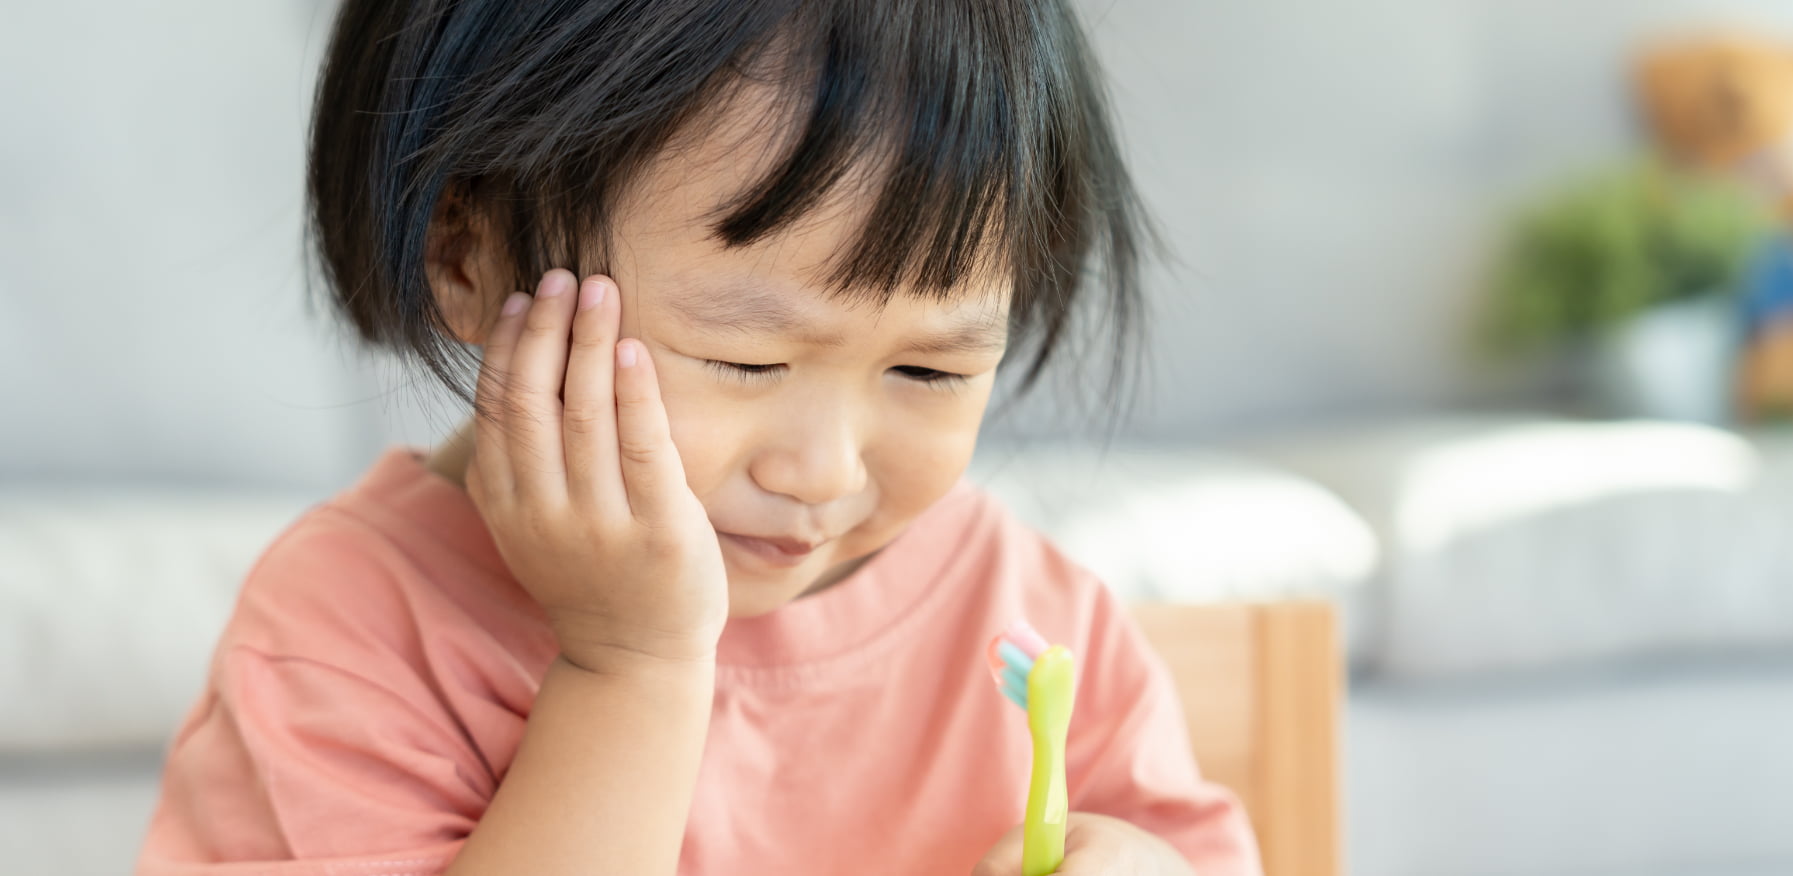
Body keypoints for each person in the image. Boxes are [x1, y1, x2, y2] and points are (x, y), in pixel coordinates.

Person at [136, 1, 1260, 874]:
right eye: (747, 362)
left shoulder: (1030, 619)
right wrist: (631, 665)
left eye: (930, 369)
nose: (820, 471)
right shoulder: (345, 638)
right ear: (466, 259)